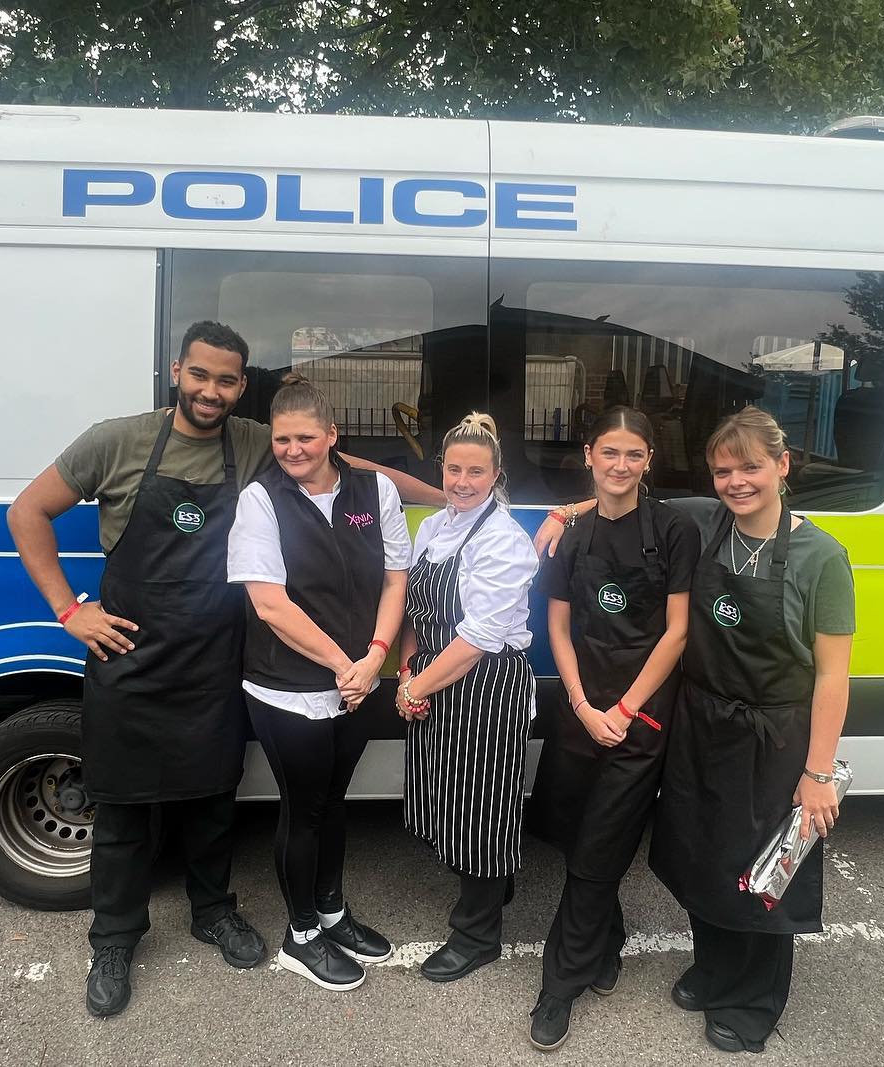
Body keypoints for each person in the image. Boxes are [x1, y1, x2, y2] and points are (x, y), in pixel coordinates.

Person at [9, 321, 438, 1018]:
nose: (211, 391)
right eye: (200, 375)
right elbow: (27, 511)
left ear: (242, 386)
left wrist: (454, 499)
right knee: (120, 806)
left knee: (213, 799)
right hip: (130, 656)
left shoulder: (252, 441)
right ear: (178, 370)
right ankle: (115, 939)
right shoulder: (115, 440)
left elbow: (359, 471)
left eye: (227, 380)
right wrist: (68, 609)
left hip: (215, 656)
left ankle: (214, 911)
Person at [649, 405, 854, 1054]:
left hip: (774, 735)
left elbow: (832, 677)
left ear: (783, 465)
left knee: (763, 873)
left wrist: (818, 773)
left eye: (751, 467)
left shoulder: (823, 557)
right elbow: (627, 493)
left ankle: (754, 998)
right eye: (723, 469)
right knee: (700, 851)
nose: (736, 481)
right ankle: (713, 970)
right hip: (702, 720)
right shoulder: (707, 524)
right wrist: (567, 513)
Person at [227, 374, 410, 991]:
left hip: (358, 682)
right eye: (282, 439)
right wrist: (344, 664)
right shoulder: (261, 500)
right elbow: (270, 604)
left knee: (335, 805)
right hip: (289, 691)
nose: (293, 449)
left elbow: (394, 580)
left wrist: (375, 656)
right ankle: (300, 933)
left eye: (306, 437)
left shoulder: (374, 488)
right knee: (302, 811)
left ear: (333, 436)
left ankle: (332, 911)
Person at [525, 407, 696, 1053]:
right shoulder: (570, 535)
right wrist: (579, 701)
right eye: (609, 453)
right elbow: (559, 629)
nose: (620, 465)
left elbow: (677, 631)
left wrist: (622, 711)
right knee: (574, 833)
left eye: (633, 454)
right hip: (580, 709)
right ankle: (607, 940)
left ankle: (557, 985)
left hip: (639, 716)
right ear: (590, 455)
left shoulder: (675, 528)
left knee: (597, 853)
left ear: (648, 458)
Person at [395, 412, 539, 984]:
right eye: (453, 469)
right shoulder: (433, 527)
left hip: (484, 686)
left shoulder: (504, 539)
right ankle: (493, 887)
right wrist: (410, 664)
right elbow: (414, 608)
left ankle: (478, 934)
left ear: (495, 474)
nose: (461, 481)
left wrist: (413, 688)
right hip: (434, 676)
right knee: (450, 797)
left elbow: (479, 637)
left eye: (474, 472)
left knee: (481, 808)